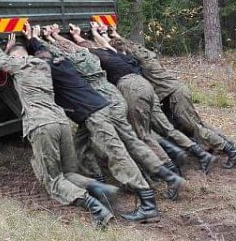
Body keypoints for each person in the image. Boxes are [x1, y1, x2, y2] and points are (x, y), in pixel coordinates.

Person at [0, 21, 114, 228]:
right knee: (69, 173)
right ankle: (98, 188)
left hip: (42, 125)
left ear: (16, 57)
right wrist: (24, 43)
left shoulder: (18, 66)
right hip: (61, 122)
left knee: (53, 181)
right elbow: (9, 60)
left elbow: (0, 60)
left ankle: (95, 208)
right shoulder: (42, 65)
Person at [24, 22, 161, 223]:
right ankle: (98, 185)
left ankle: (148, 205)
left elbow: (37, 61)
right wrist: (36, 40)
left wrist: (31, 41)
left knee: (117, 154)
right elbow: (48, 53)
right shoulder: (65, 63)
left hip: (95, 114)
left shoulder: (51, 70)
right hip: (94, 111)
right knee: (82, 146)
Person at [37, 25, 186, 201]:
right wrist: (58, 36)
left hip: (101, 106)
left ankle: (145, 183)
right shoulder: (89, 54)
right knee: (106, 142)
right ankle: (163, 174)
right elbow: (75, 47)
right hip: (112, 101)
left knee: (116, 148)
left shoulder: (72, 60)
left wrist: (39, 38)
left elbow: (56, 53)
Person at [72, 23, 216, 174]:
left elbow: (80, 49)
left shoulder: (94, 56)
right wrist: (96, 33)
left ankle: (169, 169)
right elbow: (105, 43)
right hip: (146, 87)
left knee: (141, 134)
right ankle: (200, 155)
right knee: (166, 128)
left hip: (132, 88)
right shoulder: (112, 52)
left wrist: (73, 36)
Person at [108, 28, 236, 170]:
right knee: (188, 125)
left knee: (194, 127)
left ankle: (230, 150)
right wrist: (116, 36)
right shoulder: (146, 54)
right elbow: (131, 47)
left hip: (175, 94)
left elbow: (126, 50)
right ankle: (221, 146)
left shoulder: (143, 61)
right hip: (172, 94)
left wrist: (110, 41)